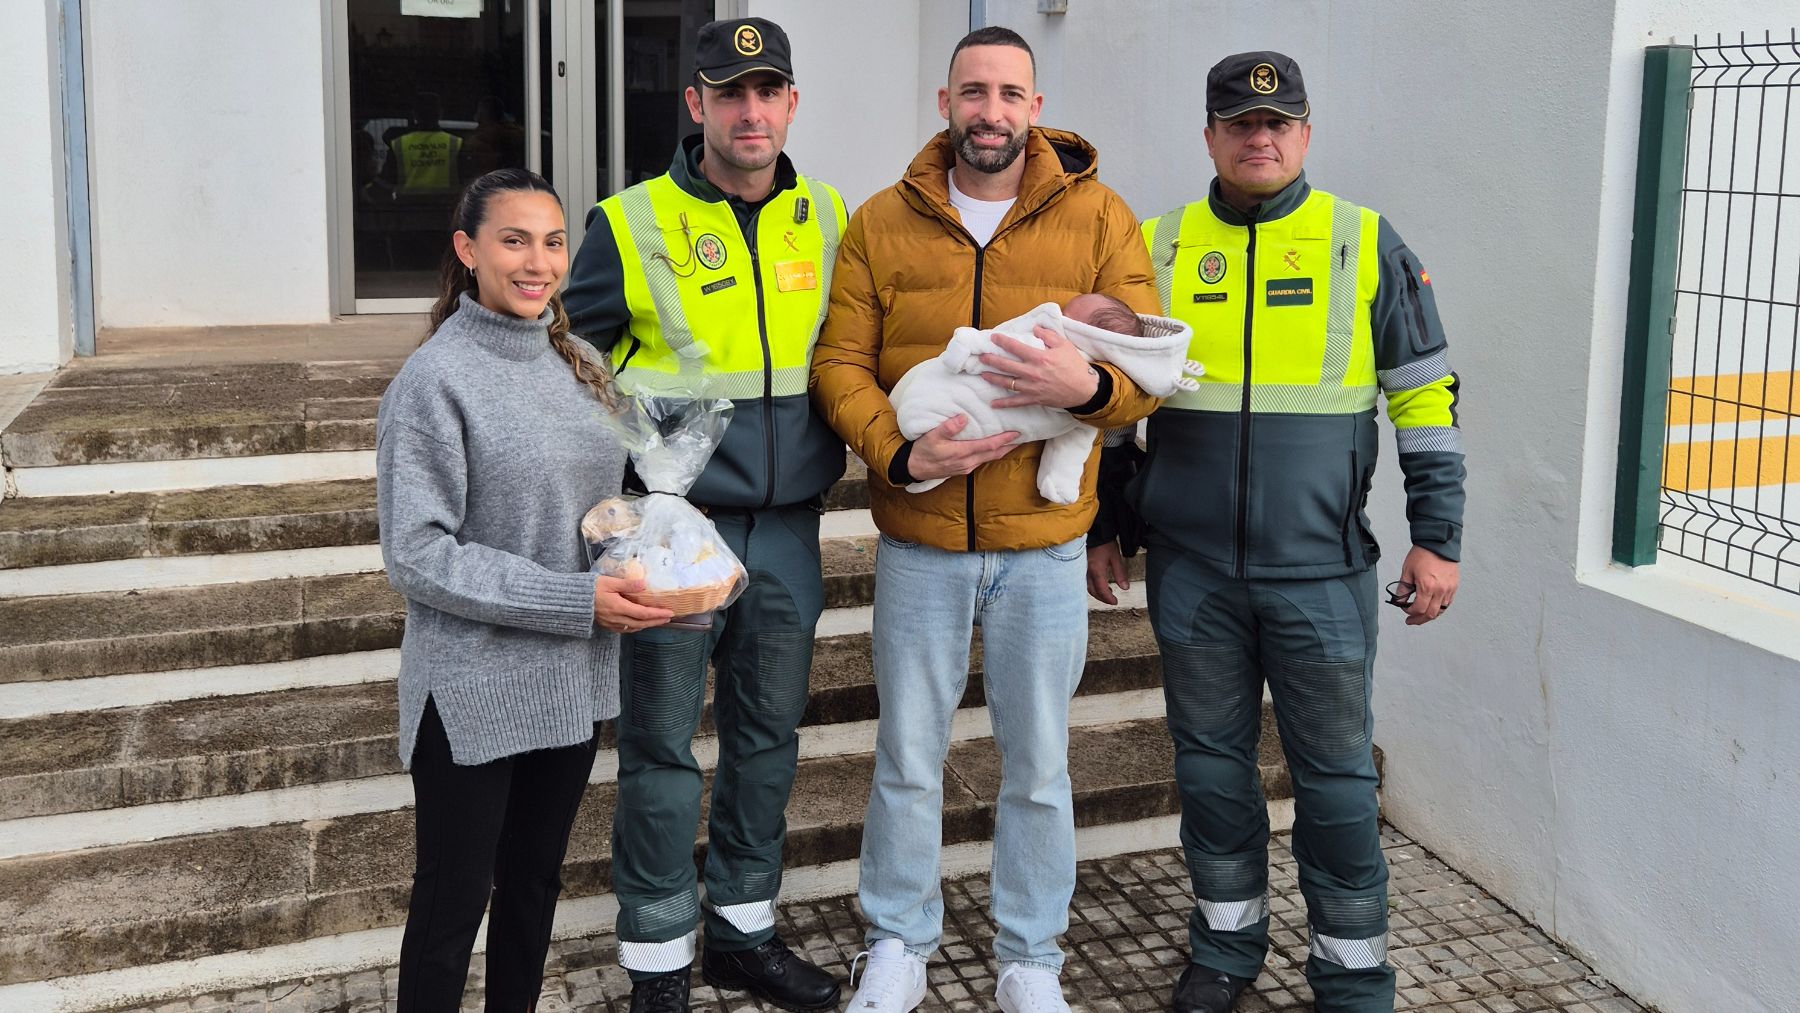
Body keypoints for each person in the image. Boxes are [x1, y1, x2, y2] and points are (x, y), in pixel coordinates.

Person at [1087, 51, 1467, 1013]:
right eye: (1239, 122)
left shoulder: (1362, 241)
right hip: (1193, 571)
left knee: (1336, 783)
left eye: (1279, 122)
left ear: (1305, 132)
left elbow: (1424, 399)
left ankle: (1352, 970)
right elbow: (1123, 410)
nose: (1261, 137)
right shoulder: (1158, 246)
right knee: (1211, 773)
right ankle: (1224, 945)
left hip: (1323, 572)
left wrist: (1440, 537)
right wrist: (1109, 527)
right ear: (1209, 134)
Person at [810, 26, 1160, 1013]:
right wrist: (898, 449)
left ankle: (1029, 957)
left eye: (1011, 92)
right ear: (945, 102)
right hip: (921, 541)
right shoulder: (883, 221)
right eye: (975, 91)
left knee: (1041, 766)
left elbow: (1150, 369)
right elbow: (839, 361)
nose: (992, 110)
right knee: (908, 757)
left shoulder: (1099, 217)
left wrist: (1087, 381)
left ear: (1035, 107)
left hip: (1042, 549)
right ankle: (897, 941)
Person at [562, 17, 847, 1013]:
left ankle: (743, 929)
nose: (751, 109)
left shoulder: (828, 215)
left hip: (789, 529)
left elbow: (848, 355)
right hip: (673, 530)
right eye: (730, 92)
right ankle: (654, 958)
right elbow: (570, 372)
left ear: (792, 104)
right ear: (696, 105)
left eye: (768, 91)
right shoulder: (630, 220)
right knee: (660, 749)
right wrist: (603, 511)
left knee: (768, 742)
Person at [376, 167, 675, 1011]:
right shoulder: (434, 383)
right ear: (468, 250)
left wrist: (657, 551)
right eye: (514, 240)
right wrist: (574, 601)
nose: (537, 261)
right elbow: (419, 553)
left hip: (569, 679)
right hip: (470, 688)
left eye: (551, 241)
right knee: (451, 905)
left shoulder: (577, 359)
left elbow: (605, 503)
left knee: (534, 885)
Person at [889, 293, 1196, 504]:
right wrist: (900, 460)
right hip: (925, 504)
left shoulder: (1048, 346)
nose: (1060, 313)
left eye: (1069, 311)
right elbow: (1075, 441)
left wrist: (1093, 392)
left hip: (1042, 533)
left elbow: (997, 347)